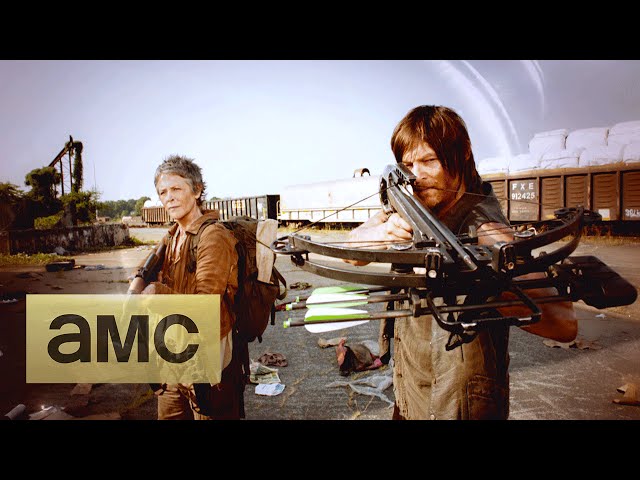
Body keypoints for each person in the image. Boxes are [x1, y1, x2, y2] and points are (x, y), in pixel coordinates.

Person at [346, 105, 577, 420]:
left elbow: (563, 324)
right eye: (408, 165)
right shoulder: (413, 201)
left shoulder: (486, 230)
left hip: (461, 403)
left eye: (430, 160)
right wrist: (381, 233)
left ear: (463, 152)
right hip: (411, 392)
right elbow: (350, 250)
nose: (417, 175)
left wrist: (484, 278)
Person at [128, 154, 243, 420]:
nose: (169, 198)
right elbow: (144, 268)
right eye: (163, 192)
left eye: (176, 189)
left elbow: (205, 306)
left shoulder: (213, 237)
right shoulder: (172, 236)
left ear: (197, 190)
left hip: (206, 360)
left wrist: (157, 293)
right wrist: (136, 286)